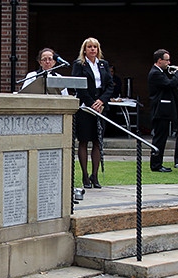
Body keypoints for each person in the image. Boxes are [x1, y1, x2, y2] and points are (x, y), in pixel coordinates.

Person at [71, 37, 114, 189]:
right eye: (89, 47)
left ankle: (94, 175)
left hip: (100, 106)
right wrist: (91, 103)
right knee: (84, 140)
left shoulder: (103, 65)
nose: (92, 49)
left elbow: (109, 85)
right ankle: (84, 175)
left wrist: (101, 101)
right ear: (84, 49)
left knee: (97, 141)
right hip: (85, 106)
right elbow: (79, 86)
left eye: (95, 47)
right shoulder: (79, 65)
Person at [147, 49, 178, 172]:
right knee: (159, 138)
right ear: (159, 60)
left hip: (163, 111)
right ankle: (156, 165)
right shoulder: (156, 73)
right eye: (166, 60)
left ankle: (158, 163)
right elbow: (170, 84)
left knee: (162, 138)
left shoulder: (161, 72)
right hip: (160, 111)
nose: (169, 62)